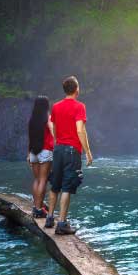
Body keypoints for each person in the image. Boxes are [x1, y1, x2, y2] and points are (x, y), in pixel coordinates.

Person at [45, 76, 93, 235]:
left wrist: (57, 141)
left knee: (55, 184)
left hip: (58, 149)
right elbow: (80, 130)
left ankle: (50, 218)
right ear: (77, 89)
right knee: (67, 186)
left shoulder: (56, 106)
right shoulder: (80, 107)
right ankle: (62, 224)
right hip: (72, 151)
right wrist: (87, 151)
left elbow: (53, 126)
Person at [26, 96, 54, 218]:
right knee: (43, 180)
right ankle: (39, 209)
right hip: (45, 151)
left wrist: (28, 154)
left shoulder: (32, 120)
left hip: (33, 152)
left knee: (37, 180)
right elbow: (53, 131)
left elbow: (30, 138)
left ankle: (36, 206)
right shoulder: (47, 118)